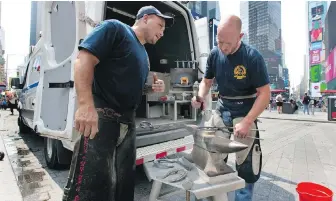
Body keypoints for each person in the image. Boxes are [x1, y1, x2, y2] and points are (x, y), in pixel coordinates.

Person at [62, 6, 173, 201]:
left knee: (123, 187)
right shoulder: (115, 29)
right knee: (91, 188)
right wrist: (85, 105)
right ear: (145, 18)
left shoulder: (144, 55)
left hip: (127, 125)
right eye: (160, 24)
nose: (163, 32)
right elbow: (83, 61)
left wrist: (150, 88)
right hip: (103, 119)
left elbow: (126, 85)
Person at [191, 15, 270, 201]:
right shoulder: (214, 54)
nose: (223, 47)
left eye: (228, 43)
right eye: (219, 42)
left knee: (247, 164)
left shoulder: (252, 57)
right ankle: (215, 196)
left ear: (240, 36)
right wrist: (200, 96)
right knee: (214, 158)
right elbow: (206, 81)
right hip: (222, 107)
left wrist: (248, 121)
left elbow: (265, 94)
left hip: (245, 111)